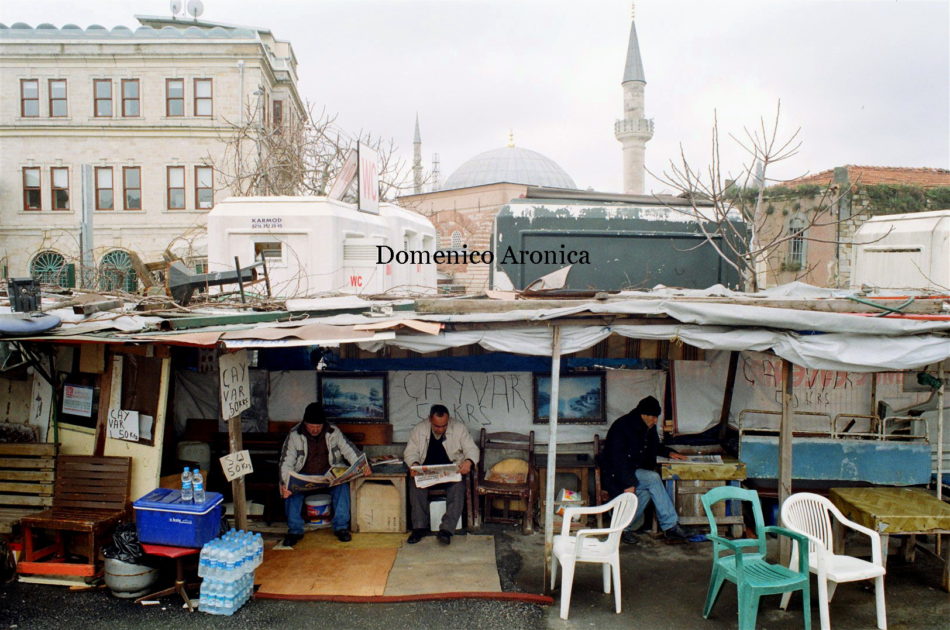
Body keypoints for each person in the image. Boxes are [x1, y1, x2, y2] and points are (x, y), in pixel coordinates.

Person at [601, 395, 690, 543]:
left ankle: (622, 528)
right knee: (653, 478)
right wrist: (628, 482)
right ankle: (671, 526)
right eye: (653, 417)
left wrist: (669, 452)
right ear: (643, 414)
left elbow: (654, 447)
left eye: (656, 417)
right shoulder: (622, 426)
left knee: (648, 491)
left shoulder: (648, 427)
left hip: (633, 473)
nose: (655, 421)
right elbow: (617, 459)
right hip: (616, 475)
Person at [278, 402, 363, 547]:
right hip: (304, 477)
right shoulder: (295, 435)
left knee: (342, 487)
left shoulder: (333, 432)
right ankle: (295, 530)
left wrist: (361, 465)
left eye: (318, 426)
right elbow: (286, 462)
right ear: (305, 423)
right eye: (311, 426)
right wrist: (284, 482)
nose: (315, 429)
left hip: (329, 476)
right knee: (290, 490)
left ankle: (341, 527)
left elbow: (349, 451)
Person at [403, 404, 479, 546]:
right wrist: (413, 464)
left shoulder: (459, 428)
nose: (441, 429)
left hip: (450, 471)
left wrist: (468, 462)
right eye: (437, 426)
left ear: (448, 420)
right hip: (428, 473)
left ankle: (446, 530)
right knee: (415, 484)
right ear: (430, 420)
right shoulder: (419, 429)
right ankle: (419, 528)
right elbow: (410, 451)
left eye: (444, 425)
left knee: (458, 487)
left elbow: (472, 449)